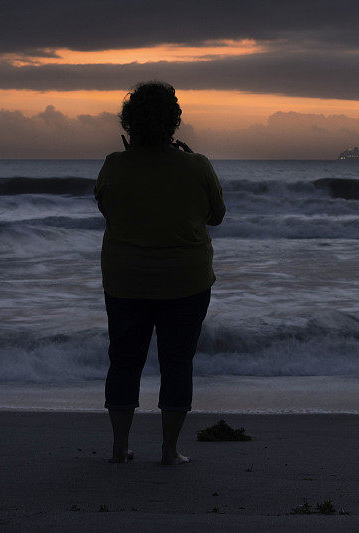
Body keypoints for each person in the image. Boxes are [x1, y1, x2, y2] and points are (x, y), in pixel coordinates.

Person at [94, 80, 225, 465]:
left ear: (129, 122)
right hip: (185, 281)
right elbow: (216, 216)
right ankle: (169, 449)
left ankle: (120, 447)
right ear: (174, 123)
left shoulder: (114, 166)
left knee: (124, 360)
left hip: (125, 280)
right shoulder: (196, 166)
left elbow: (107, 208)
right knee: (177, 362)